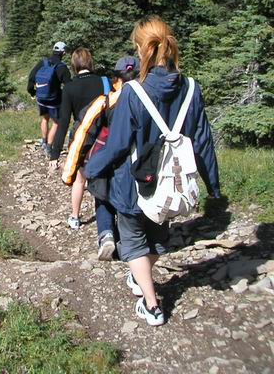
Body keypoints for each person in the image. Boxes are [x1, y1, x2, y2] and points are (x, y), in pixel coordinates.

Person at [84, 16, 220, 327]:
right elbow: (202, 141)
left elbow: (118, 145)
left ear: (141, 50)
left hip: (135, 184)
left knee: (132, 241)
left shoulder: (133, 92)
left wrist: (92, 168)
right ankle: (141, 276)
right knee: (158, 239)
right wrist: (212, 185)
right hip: (171, 183)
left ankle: (152, 305)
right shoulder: (191, 89)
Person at [61, 56, 139, 261]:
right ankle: (132, 243)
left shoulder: (106, 101)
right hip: (140, 162)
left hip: (107, 156)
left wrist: (69, 173)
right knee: (131, 199)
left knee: (102, 196)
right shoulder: (149, 98)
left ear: (117, 78)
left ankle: (106, 234)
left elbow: (83, 134)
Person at [48, 47, 108, 230]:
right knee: (107, 175)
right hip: (104, 136)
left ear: (74, 65)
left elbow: (63, 122)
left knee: (79, 179)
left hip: (82, 137)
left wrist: (54, 153)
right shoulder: (104, 82)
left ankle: (75, 216)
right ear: (90, 62)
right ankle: (110, 216)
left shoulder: (69, 88)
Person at [27, 41, 71, 156]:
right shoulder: (62, 67)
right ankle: (49, 146)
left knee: (45, 118)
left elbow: (31, 77)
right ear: (63, 52)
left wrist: (32, 92)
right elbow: (69, 85)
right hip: (53, 99)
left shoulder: (43, 62)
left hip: (40, 97)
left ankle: (44, 141)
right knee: (57, 122)